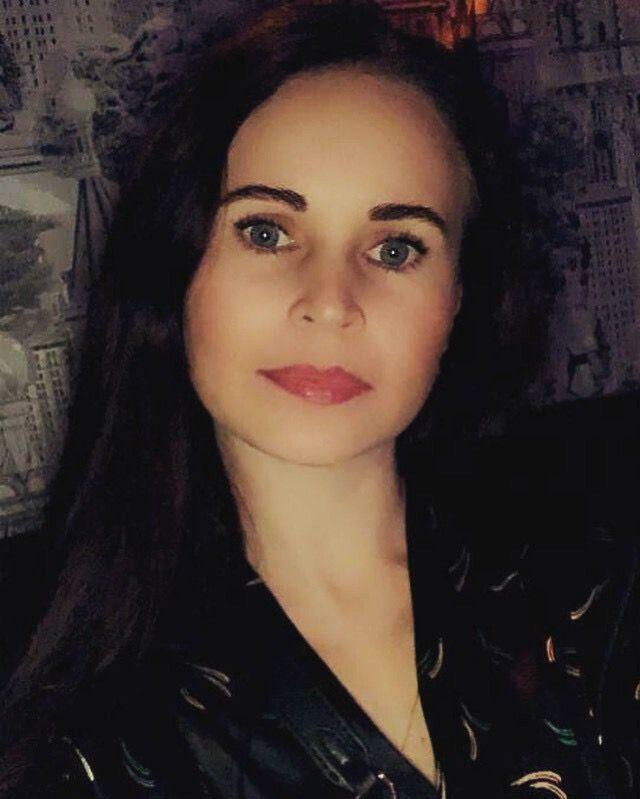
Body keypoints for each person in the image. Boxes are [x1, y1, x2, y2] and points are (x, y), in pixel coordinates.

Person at [0, 1, 637, 797]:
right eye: (266, 232)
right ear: (178, 265)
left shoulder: (592, 597)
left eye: (396, 248)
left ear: (461, 298)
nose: (330, 302)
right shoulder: (70, 729)